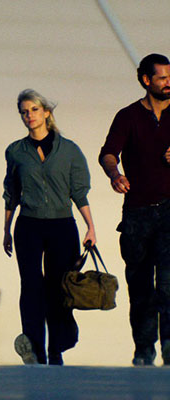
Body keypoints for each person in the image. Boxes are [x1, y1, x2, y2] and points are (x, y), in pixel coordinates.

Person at [3, 89, 96, 366]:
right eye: (24, 112)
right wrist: (6, 229)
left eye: (34, 109)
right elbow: (11, 193)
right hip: (28, 225)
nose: (29, 116)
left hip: (61, 225)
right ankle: (34, 349)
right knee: (31, 286)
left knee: (59, 287)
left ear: (46, 112)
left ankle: (57, 347)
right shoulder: (16, 151)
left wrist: (90, 227)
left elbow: (79, 193)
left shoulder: (69, 150)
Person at [99, 53, 170, 366]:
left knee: (168, 285)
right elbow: (108, 153)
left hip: (169, 211)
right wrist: (115, 174)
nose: (168, 83)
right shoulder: (128, 116)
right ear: (146, 80)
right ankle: (144, 350)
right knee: (140, 286)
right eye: (162, 78)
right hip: (137, 214)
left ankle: (169, 348)